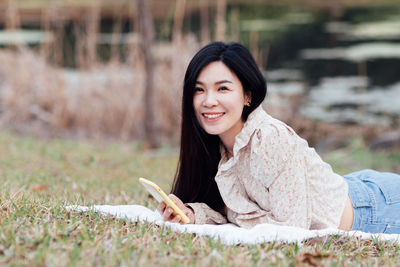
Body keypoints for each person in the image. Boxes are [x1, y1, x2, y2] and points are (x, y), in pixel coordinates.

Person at [158, 42, 400, 234]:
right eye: (199, 89)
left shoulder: (270, 139)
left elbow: (291, 229)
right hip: (346, 186)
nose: (209, 100)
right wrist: (192, 213)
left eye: (223, 89)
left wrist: (238, 217)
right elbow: (227, 207)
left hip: (378, 209)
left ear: (247, 96)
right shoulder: (215, 146)